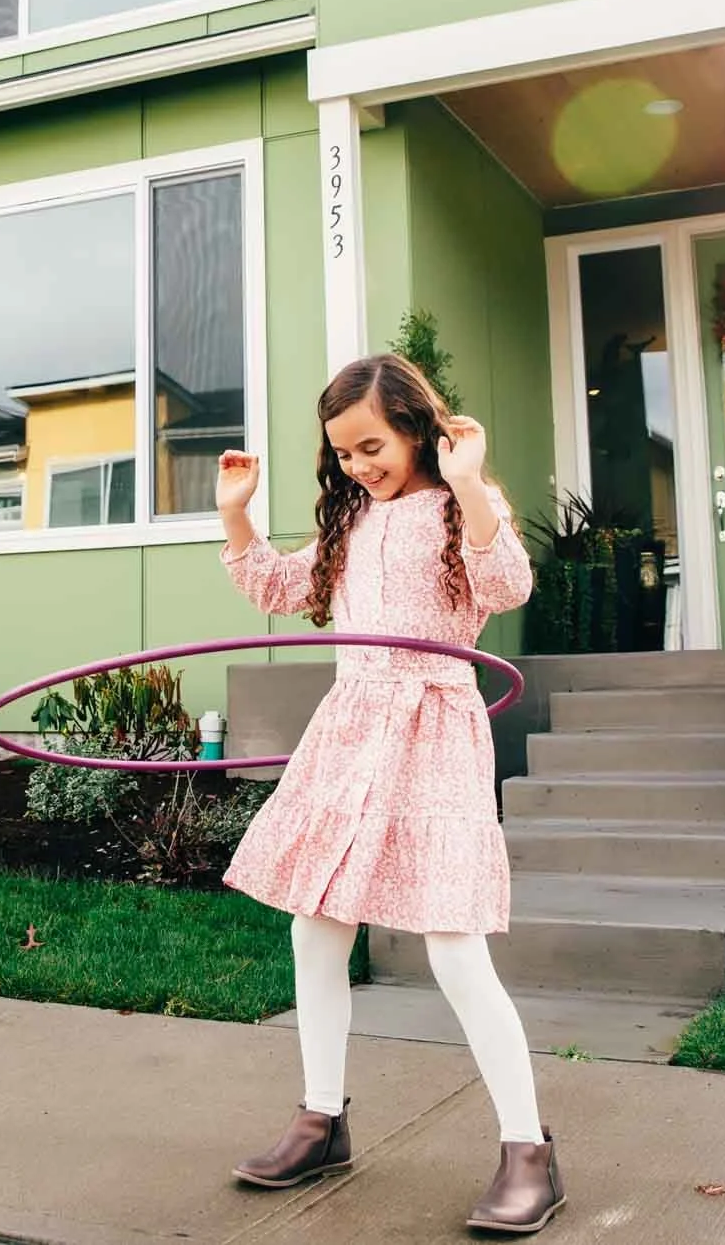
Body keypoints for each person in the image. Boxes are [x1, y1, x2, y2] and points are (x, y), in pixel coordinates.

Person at [214, 353, 562, 1236]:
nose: (358, 466)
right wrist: (236, 517)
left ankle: (529, 1149)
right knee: (316, 923)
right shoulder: (353, 522)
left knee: (453, 945)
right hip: (352, 727)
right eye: (342, 455)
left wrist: (471, 483)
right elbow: (281, 587)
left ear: (414, 425)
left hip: (435, 727)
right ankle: (320, 1117)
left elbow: (508, 584)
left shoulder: (457, 507)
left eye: (371, 445)